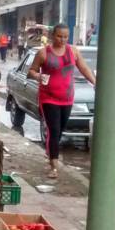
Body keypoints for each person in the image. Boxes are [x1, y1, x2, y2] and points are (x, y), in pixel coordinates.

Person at [28, 23, 96, 179]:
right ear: (53, 36)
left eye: (66, 36)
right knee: (54, 130)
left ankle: (51, 153)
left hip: (67, 98)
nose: (63, 39)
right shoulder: (43, 53)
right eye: (59, 36)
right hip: (48, 98)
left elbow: (84, 69)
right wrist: (38, 76)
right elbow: (32, 71)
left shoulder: (73, 51)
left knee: (60, 130)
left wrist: (95, 82)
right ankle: (54, 166)